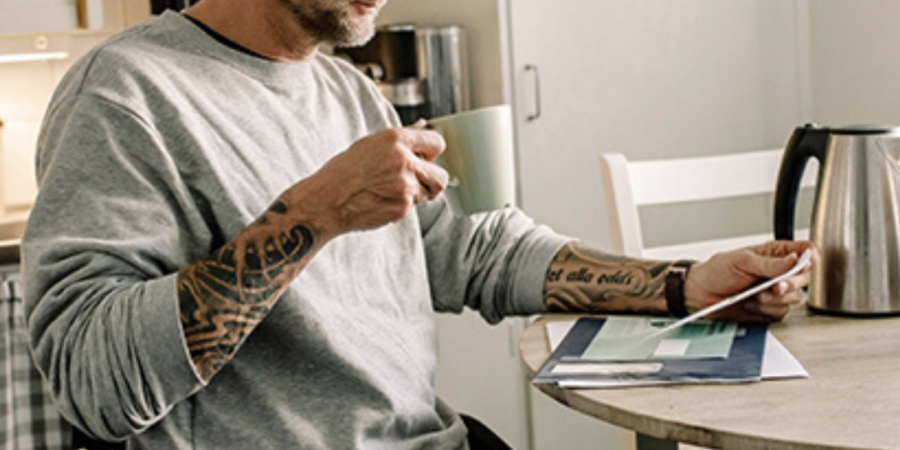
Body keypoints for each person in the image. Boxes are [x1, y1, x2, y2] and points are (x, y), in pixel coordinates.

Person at [21, 0, 817, 449]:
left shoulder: (346, 90)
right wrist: (315, 213)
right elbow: (94, 383)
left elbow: (469, 249)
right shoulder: (126, 92)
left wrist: (682, 285)